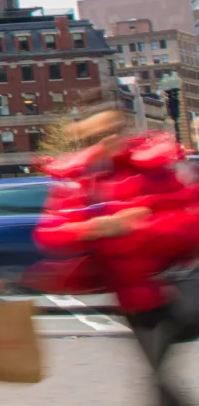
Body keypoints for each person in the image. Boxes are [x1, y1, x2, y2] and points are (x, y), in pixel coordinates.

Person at [34, 111, 199, 406]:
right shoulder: (80, 181)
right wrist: (95, 227)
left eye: (114, 130)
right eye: (97, 136)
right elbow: (50, 233)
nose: (109, 139)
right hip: (137, 298)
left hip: (176, 285)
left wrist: (139, 226)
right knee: (160, 378)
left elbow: (191, 220)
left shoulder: (153, 167)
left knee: (161, 379)